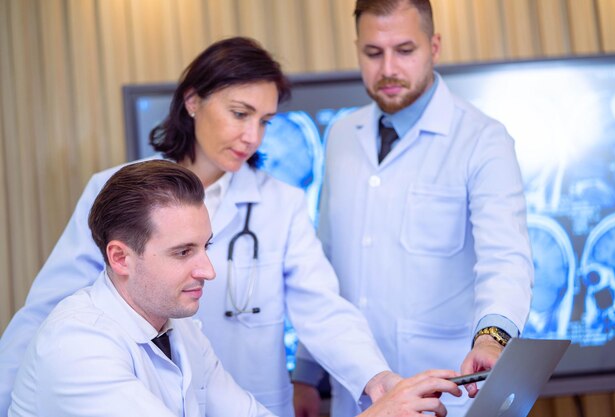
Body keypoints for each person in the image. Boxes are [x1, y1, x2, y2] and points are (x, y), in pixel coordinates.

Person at [0, 37, 397, 417]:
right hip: (142, 394)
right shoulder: (117, 191)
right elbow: (46, 312)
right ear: (192, 101)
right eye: (240, 114)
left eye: (264, 122)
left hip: (248, 401)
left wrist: (373, 376)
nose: (252, 137)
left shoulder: (282, 203)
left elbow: (322, 308)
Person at [8, 160, 462, 417]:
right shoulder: (79, 346)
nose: (208, 270)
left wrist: (382, 393)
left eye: (206, 247)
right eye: (183, 252)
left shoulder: (180, 331)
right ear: (120, 257)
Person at [292, 1, 534, 416]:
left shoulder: (483, 139)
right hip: (359, 396)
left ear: (434, 46)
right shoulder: (342, 136)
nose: (387, 68)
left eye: (405, 50)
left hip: (447, 397)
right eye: (373, 53)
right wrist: (307, 373)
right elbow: (325, 266)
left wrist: (492, 337)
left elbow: (506, 258)